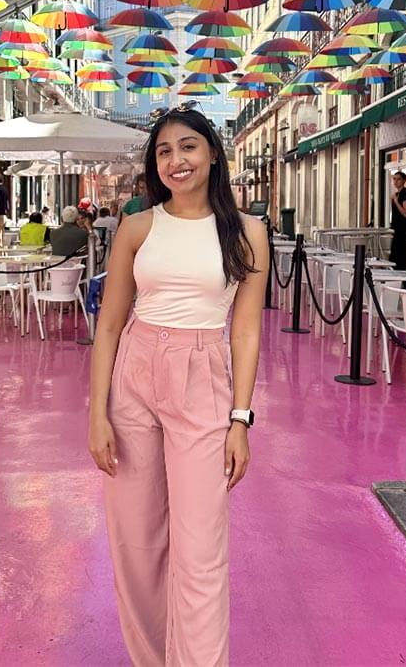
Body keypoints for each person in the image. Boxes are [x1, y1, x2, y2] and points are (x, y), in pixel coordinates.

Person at [88, 103, 269, 666]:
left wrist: (240, 420)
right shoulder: (138, 227)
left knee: (201, 547)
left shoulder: (248, 232)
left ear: (212, 152)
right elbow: (110, 324)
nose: (176, 160)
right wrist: (97, 415)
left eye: (187, 146)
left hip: (203, 378)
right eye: (164, 151)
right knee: (136, 540)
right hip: (135, 376)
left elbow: (245, 331)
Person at [389, 171, 406, 272]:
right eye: (394, 179)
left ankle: (403, 277)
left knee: (399, 255)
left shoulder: (405, 194)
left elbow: (405, 213)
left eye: (398, 179)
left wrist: (396, 201)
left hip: (403, 229)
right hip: (396, 228)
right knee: (395, 255)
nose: (396, 181)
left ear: (404, 180)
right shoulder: (397, 194)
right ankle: (397, 276)